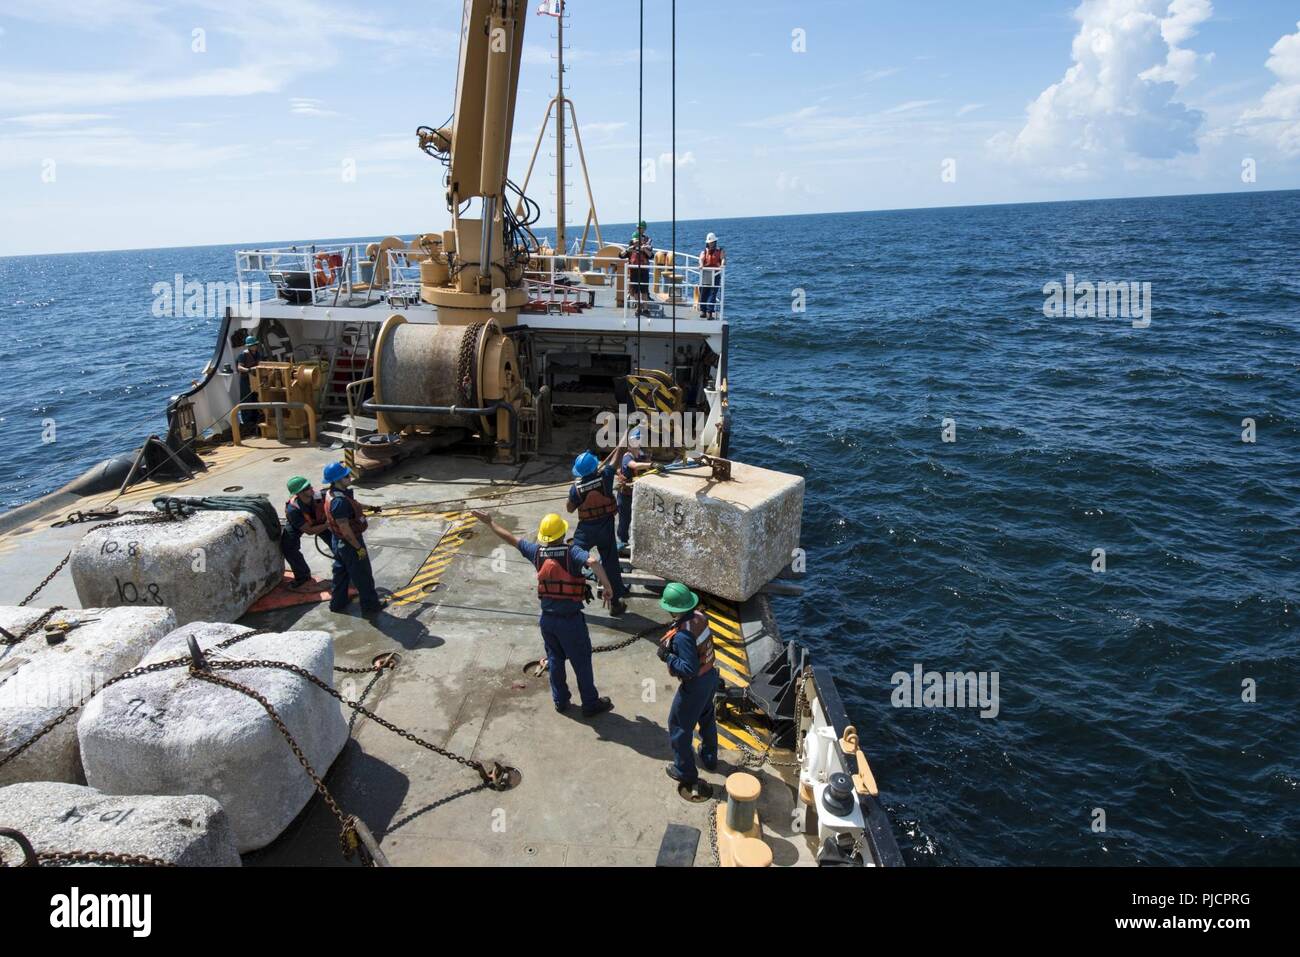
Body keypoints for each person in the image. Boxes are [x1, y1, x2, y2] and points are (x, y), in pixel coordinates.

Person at [472, 509, 615, 717]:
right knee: (581, 661)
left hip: (547, 621)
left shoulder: (536, 552)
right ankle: (590, 704)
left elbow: (511, 538)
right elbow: (592, 562)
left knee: (555, 659)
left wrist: (490, 522)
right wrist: (608, 587)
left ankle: (560, 701)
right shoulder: (571, 553)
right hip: (571, 622)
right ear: (561, 534)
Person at [657, 582, 719, 787]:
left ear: (671, 608)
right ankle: (709, 757)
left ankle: (684, 771)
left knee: (678, 725)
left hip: (695, 684)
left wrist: (668, 656)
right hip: (710, 676)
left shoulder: (682, 635)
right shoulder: (700, 617)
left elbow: (688, 668)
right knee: (706, 716)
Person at [566, 448, 628, 616]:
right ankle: (615, 604)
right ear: (595, 467)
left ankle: (567, 596)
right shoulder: (606, 476)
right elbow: (615, 459)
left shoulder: (576, 488)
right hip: (605, 528)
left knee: (573, 557)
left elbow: (570, 509)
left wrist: (576, 493)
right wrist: (622, 444)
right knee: (611, 563)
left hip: (586, 530)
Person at [323, 461, 383, 614]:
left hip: (338, 542)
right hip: (350, 544)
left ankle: (337, 604)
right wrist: (358, 548)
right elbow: (346, 530)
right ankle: (371, 607)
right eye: (346, 476)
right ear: (337, 480)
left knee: (341, 574)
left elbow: (353, 504)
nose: (349, 477)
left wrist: (370, 507)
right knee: (363, 576)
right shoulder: (339, 503)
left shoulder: (333, 494)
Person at [282, 476, 331, 589]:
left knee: (336, 543)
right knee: (288, 547)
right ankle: (303, 575)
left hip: (320, 520)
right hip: (302, 524)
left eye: (309, 485)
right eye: (307, 487)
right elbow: (309, 531)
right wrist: (328, 524)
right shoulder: (293, 510)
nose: (311, 488)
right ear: (299, 493)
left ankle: (345, 566)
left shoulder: (321, 495)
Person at [615, 427, 654, 552]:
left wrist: (650, 464)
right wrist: (650, 465)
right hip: (625, 494)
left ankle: (636, 543)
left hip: (637, 493)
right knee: (624, 520)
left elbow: (646, 462)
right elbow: (634, 465)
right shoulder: (627, 456)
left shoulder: (640, 454)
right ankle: (622, 542)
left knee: (637, 518)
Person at [619, 222, 652, 309]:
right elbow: (621, 255)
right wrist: (627, 250)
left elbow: (651, 256)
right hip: (634, 271)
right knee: (636, 291)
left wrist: (645, 249)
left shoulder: (647, 242)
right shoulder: (631, 243)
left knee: (644, 291)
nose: (639, 229)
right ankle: (638, 307)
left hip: (644, 270)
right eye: (638, 228)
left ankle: (645, 309)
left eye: (640, 228)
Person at [235, 336, 262, 431]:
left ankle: (255, 420)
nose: (254, 346)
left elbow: (260, 363)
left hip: (255, 379)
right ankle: (247, 422)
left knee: (256, 398)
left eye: (255, 344)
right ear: (248, 346)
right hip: (245, 381)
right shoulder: (243, 355)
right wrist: (249, 370)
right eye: (252, 345)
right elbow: (239, 367)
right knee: (247, 399)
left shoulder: (258, 354)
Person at [699, 232, 725, 318]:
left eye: (713, 242)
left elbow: (723, 259)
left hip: (716, 273)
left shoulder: (720, 250)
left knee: (713, 293)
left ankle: (710, 312)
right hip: (706, 273)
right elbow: (701, 259)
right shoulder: (704, 251)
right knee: (703, 291)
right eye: (710, 242)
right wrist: (701, 265)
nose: (711, 243)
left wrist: (722, 265)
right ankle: (703, 311)